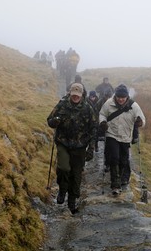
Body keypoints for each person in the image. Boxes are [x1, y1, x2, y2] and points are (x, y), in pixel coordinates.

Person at [47, 83, 97, 214]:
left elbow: (93, 129)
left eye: (78, 95)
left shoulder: (88, 108)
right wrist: (55, 121)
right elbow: (50, 120)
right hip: (63, 142)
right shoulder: (62, 104)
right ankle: (62, 190)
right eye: (73, 95)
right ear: (70, 93)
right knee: (64, 168)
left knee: (76, 173)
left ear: (81, 95)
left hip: (80, 146)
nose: (75, 97)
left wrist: (91, 148)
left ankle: (72, 201)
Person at [99, 84, 146, 195]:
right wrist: (103, 122)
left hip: (125, 137)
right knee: (114, 158)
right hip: (112, 134)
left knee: (123, 160)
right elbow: (102, 114)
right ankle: (115, 184)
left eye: (123, 97)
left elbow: (142, 119)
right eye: (118, 97)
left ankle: (121, 179)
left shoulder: (134, 106)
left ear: (127, 97)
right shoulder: (109, 103)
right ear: (115, 95)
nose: (120, 99)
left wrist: (140, 122)